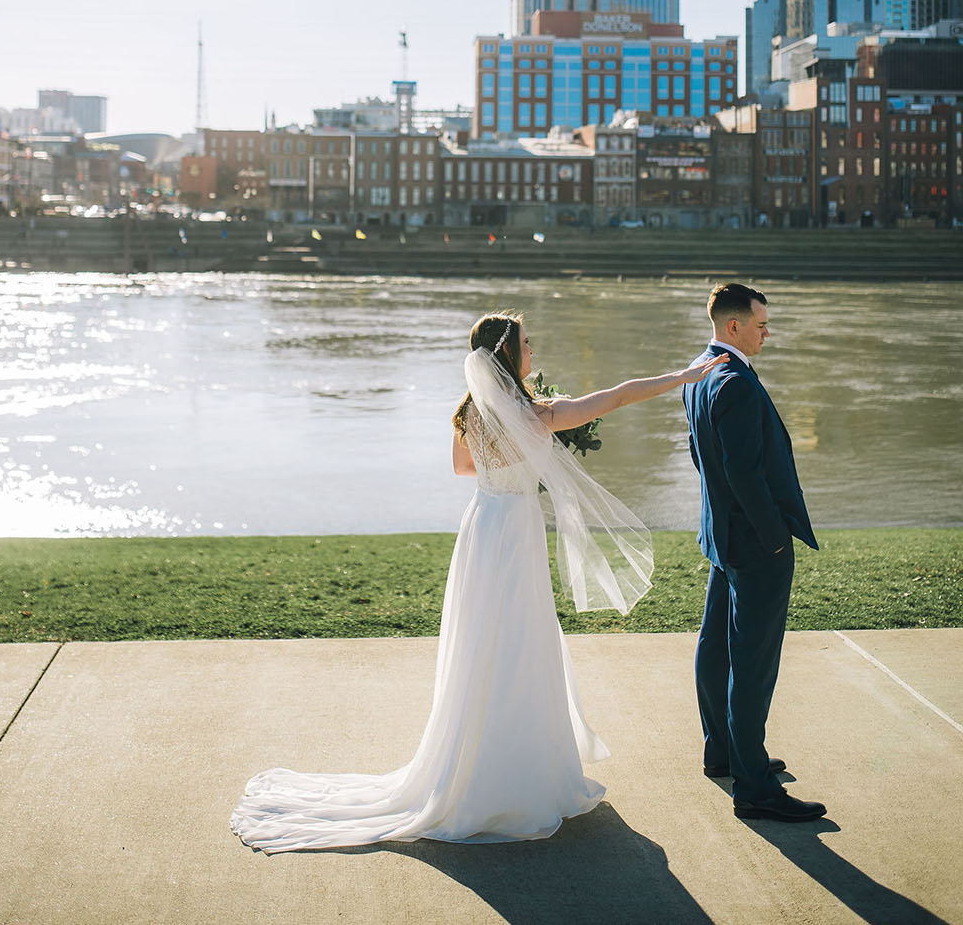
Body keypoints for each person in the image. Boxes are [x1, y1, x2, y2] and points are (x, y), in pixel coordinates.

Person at [231, 312, 726, 852]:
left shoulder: (470, 411)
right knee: (518, 643)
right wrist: (681, 377)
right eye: (526, 343)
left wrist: (510, 460)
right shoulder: (534, 415)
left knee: (483, 644)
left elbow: (462, 469)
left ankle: (471, 764)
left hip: (483, 523)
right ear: (509, 356)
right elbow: (615, 397)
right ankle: (511, 777)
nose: (533, 348)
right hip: (514, 527)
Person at [683, 282, 825, 823]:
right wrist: (772, 535)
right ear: (734, 325)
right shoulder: (734, 381)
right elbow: (744, 472)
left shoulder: (698, 371)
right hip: (753, 542)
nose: (769, 333)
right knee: (753, 660)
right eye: (762, 325)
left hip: (722, 535)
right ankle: (756, 787)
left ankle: (724, 752)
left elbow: (703, 458)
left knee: (716, 644)